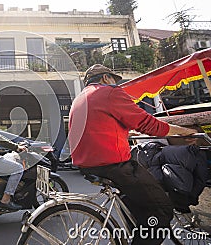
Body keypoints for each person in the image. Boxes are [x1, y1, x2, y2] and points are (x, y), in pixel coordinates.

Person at [68, 64, 197, 245]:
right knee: (162, 208)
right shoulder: (109, 92)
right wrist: (181, 131)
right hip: (113, 165)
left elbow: (98, 128)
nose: (116, 85)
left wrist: (127, 133)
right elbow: (148, 123)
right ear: (106, 78)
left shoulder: (80, 98)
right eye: (114, 80)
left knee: (137, 203)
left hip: (87, 163)